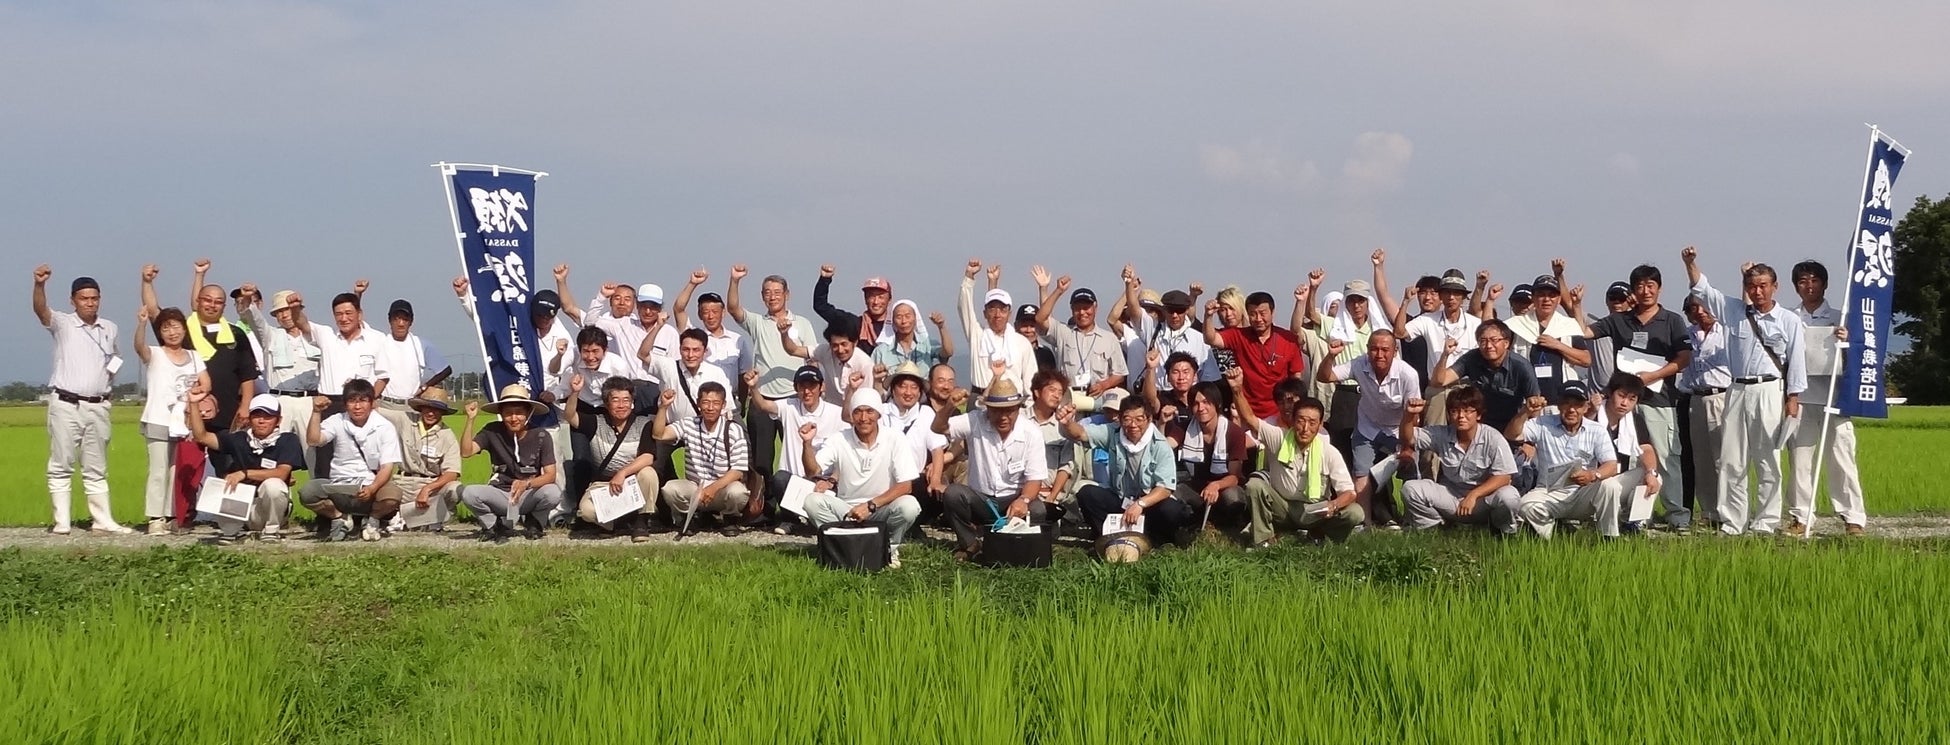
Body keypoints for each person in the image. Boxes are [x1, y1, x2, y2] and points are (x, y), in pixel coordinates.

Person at [1683, 246, 1807, 536]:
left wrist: (1793, 398)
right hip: (1736, 389)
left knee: (1767, 459)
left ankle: (1765, 521)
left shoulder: (1788, 320)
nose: (1758, 291)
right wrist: (1690, 263)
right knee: (1731, 458)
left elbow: (1796, 361)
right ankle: (1733, 521)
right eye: (1752, 286)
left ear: (1774, 287)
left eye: (1763, 285)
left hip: (1769, 389)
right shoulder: (1734, 311)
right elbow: (1703, 290)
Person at [1588, 264, 1693, 532]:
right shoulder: (1621, 319)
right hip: (1624, 402)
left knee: (1667, 457)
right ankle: (1637, 516)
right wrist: (1575, 304)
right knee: (1630, 458)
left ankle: (1677, 515)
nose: (1645, 291)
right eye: (1640, 286)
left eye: (1651, 286)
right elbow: (1586, 331)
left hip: (1660, 399)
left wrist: (1655, 375)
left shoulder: (1671, 320)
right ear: (1633, 290)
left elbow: (1684, 358)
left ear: (1659, 288)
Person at [34, 265, 129, 535]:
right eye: (84, 298)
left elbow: (116, 358)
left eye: (94, 298)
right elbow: (41, 311)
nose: (90, 303)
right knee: (62, 462)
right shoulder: (63, 323)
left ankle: (103, 519)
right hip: (66, 404)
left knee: (96, 464)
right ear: (73, 300)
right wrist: (39, 285)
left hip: (99, 404)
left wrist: (109, 377)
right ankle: (62, 521)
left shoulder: (109, 327)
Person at [1228, 371, 1361, 546]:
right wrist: (1237, 389)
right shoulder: (1279, 437)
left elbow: (1349, 492)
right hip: (1282, 506)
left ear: (1320, 424)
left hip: (1315, 510)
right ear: (1293, 420)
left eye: (1312, 423)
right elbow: (1250, 419)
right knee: (1255, 485)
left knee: (1355, 513)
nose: (1305, 428)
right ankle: (1263, 540)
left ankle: (1319, 535)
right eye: (1301, 421)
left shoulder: (1329, 451)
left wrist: (1333, 505)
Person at [1784, 260, 1866, 536]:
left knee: (1841, 457)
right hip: (1802, 396)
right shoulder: (1789, 317)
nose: (1809, 286)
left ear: (1824, 284)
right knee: (1800, 459)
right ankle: (1801, 516)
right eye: (1803, 281)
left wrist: (1848, 341)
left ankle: (1852, 516)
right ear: (1796, 287)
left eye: (1814, 280)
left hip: (1835, 396)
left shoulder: (1840, 317)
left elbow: (1860, 354)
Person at [931, 377, 1050, 562]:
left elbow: (1035, 479)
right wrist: (949, 406)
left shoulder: (1031, 432)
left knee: (1037, 510)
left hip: (1013, 497)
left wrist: (1023, 500)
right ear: (987, 409)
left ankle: (1015, 545)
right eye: (996, 411)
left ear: (1018, 409)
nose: (1003, 417)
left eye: (1009, 411)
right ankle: (970, 543)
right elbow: (938, 428)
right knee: (953, 494)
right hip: (982, 499)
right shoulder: (975, 420)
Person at [799, 389, 923, 567]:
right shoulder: (838, 439)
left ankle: (889, 549)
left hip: (880, 508)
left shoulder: (895, 438)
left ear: (878, 414)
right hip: (846, 510)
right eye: (858, 411)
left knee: (909, 506)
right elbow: (813, 471)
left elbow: (906, 485)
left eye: (869, 411)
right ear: (851, 415)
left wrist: (870, 506)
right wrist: (807, 443)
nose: (864, 418)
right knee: (811, 501)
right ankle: (841, 545)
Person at [727, 264, 818, 505]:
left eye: (777, 291)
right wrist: (735, 280)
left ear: (787, 294)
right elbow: (734, 309)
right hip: (763, 397)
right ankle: (765, 507)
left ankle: (799, 505)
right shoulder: (758, 323)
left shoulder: (803, 323)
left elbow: (812, 358)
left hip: (795, 399)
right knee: (762, 460)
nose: (772, 296)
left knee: (799, 455)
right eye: (767, 292)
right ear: (762, 296)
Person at [1317, 329, 1420, 529]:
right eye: (1374, 349)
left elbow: (1413, 414)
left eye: (1384, 350)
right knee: (1361, 473)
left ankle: (1411, 520)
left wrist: (1407, 445)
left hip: (1398, 429)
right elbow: (1325, 376)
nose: (1379, 355)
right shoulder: (1359, 364)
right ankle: (1365, 522)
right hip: (1367, 427)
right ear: (1367, 350)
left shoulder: (1408, 374)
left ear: (1395, 351)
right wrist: (1331, 355)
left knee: (1410, 469)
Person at [145, 259, 260, 434]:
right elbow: (153, 311)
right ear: (198, 302)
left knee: (228, 461)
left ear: (224, 306)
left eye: (218, 302)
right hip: (186, 416)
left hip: (227, 416)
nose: (212, 305)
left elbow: (247, 375)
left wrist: (245, 407)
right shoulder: (183, 330)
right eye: (207, 300)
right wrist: (147, 282)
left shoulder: (236, 334)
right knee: (186, 461)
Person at [1063, 390, 1188, 548]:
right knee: (1087, 493)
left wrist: (1140, 504)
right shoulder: (1113, 432)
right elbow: (1081, 434)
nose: (1133, 425)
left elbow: (1165, 488)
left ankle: (1158, 540)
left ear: (1149, 419)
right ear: (1120, 420)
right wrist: (1067, 422)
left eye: (1139, 419)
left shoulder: (1161, 446)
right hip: (1122, 499)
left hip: (1149, 503)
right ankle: (1107, 537)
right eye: (1127, 419)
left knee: (1172, 509)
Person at [1506, 380, 1625, 540]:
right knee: (1525, 506)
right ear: (1559, 405)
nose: (1571, 410)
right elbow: (1511, 435)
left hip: (1583, 491)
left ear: (1586, 407)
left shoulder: (1596, 430)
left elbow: (1611, 466)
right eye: (1566, 403)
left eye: (1577, 405)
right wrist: (1525, 412)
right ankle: (1551, 538)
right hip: (1549, 491)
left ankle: (1608, 537)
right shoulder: (1542, 424)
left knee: (1611, 485)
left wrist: (1592, 475)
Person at [1398, 386, 1521, 536]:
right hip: (1451, 497)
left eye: (1467, 411)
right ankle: (1434, 529)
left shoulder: (1493, 438)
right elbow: (1408, 438)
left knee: (1509, 496)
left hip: (1482, 501)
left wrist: (1474, 495)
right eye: (1455, 411)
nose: (1461, 416)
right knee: (1410, 489)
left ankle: (1503, 532)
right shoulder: (1442, 434)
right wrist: (1409, 415)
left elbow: (1504, 476)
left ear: (1479, 415)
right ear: (1449, 415)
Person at [134, 304, 211, 534]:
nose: (172, 332)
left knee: (177, 470)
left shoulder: (195, 357)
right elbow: (139, 347)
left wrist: (197, 397)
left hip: (186, 422)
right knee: (158, 469)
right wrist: (141, 324)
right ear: (160, 332)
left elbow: (206, 382)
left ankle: (173, 515)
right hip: (158, 418)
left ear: (184, 330)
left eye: (176, 327)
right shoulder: (155, 353)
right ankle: (155, 518)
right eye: (166, 328)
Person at [186, 393, 304, 544]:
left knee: (273, 484)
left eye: (268, 416)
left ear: (278, 420)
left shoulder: (287, 440)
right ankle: (230, 531)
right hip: (244, 509)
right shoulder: (239, 439)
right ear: (249, 418)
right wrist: (194, 404)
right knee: (226, 481)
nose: (261, 421)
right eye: (256, 416)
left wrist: (244, 473)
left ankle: (271, 530)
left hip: (270, 509)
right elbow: (202, 437)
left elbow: (281, 474)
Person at [748, 364, 848, 531]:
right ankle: (790, 519)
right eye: (802, 387)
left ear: (822, 387)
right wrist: (753, 387)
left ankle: (818, 519)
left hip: (825, 483)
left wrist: (831, 481)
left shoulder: (836, 414)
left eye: (812, 386)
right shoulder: (789, 406)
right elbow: (763, 406)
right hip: (795, 482)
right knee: (779, 479)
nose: (807, 392)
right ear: (796, 388)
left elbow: (846, 453)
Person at [300, 379, 402, 542]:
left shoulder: (384, 427)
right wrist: (316, 412)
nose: (357, 407)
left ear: (372, 403)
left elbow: (387, 467)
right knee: (307, 492)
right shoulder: (337, 420)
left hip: (369, 485)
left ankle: (373, 519)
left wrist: (372, 488)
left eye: (363, 401)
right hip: (339, 483)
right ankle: (339, 518)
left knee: (392, 496)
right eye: (352, 401)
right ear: (345, 403)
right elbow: (314, 440)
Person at [239, 285, 329, 467]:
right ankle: (274, 491)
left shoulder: (317, 335)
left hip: (309, 401)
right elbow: (255, 319)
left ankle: (315, 492)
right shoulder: (270, 335)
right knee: (273, 449)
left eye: (287, 310)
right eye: (279, 312)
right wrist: (248, 299)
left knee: (312, 451)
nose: (284, 315)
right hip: (280, 401)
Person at [459, 385, 563, 541]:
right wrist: (470, 420)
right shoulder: (492, 431)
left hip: (527, 495)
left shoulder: (541, 435)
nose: (514, 418)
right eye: (508, 413)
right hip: (501, 493)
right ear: (501, 414)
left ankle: (535, 522)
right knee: (469, 493)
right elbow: (466, 452)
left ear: (528, 413)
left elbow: (550, 475)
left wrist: (526, 484)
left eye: (519, 413)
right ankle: (493, 525)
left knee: (553, 492)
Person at [566, 377, 660, 540]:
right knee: (586, 510)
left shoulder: (643, 423)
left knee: (648, 473)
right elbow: (570, 416)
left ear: (632, 402)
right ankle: (613, 523)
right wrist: (575, 393)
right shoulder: (595, 422)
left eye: (626, 400)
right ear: (606, 403)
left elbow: (648, 457)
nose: (621, 405)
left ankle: (641, 520)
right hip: (604, 484)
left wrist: (623, 473)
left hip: (632, 481)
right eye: (615, 400)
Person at [654, 381, 753, 534]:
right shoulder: (689, 424)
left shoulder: (733, 429)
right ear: (698, 403)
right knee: (670, 489)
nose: (710, 407)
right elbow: (659, 434)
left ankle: (730, 519)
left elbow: (738, 470)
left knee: (738, 492)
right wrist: (663, 407)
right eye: (706, 402)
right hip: (696, 488)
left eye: (715, 403)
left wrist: (713, 488)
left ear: (723, 404)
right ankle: (690, 517)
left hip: (722, 488)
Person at [1203, 287, 1305, 423]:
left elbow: (1296, 378)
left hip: (1279, 413)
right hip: (1246, 413)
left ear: (1272, 312)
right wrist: (1208, 316)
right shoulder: (1239, 335)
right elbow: (1211, 339)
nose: (1258, 319)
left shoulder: (1288, 339)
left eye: (1262, 313)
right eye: (1253, 314)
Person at [1163, 381, 1249, 529]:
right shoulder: (1185, 428)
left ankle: (1229, 524)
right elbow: (1163, 447)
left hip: (1224, 487)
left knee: (1233, 497)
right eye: (1196, 404)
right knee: (1173, 492)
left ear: (1217, 404)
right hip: (1197, 488)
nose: (1201, 408)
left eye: (1206, 402)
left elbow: (1235, 476)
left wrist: (1216, 485)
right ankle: (1194, 521)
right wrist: (1162, 424)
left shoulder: (1234, 432)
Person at [1676, 295, 1730, 530]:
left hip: (1722, 396)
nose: (1698, 312)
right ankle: (1709, 511)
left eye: (1702, 307)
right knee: (1702, 460)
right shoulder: (1688, 335)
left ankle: (1729, 511)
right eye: (1691, 309)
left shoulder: (1727, 331)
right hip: (1695, 398)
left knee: (1725, 458)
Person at [1432, 319, 1541, 435]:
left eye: (1494, 340)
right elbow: (1439, 381)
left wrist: (1530, 443)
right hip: (1480, 424)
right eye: (1483, 341)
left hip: (1510, 425)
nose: (1488, 346)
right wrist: (1445, 355)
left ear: (1506, 343)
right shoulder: (1471, 358)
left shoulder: (1522, 367)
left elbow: (1535, 406)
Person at [1034, 282, 1130, 412]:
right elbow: (1040, 318)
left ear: (1095, 308)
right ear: (1072, 310)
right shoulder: (1063, 332)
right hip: (1069, 400)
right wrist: (1058, 291)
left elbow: (1120, 373)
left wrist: (1103, 385)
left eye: (1086, 308)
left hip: (1098, 401)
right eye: (1077, 308)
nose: (1082, 312)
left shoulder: (1109, 338)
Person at [372, 299, 452, 447]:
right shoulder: (380, 342)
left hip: (411, 407)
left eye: (405, 319)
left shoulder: (421, 345)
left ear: (411, 321)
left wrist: (425, 387)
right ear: (389, 321)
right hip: (385, 405)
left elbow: (445, 369)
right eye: (396, 319)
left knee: (411, 453)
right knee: (380, 453)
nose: (401, 323)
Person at [1592, 372, 1663, 533]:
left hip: (1616, 479)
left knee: (1654, 476)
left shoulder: (1634, 420)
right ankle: (1608, 533)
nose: (1625, 403)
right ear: (1610, 393)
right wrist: (1590, 410)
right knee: (1608, 485)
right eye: (1621, 396)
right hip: (1592, 479)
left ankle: (1635, 523)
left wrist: (1651, 472)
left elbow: (1646, 449)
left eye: (1632, 399)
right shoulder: (1593, 415)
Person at [957, 260, 1038, 393]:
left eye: (1002, 310)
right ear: (985, 313)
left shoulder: (1021, 343)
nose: (997, 314)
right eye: (992, 309)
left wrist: (1028, 408)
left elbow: (1031, 379)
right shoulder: (978, 336)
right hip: (981, 399)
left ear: (1009, 314)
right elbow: (964, 307)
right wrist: (969, 276)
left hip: (1013, 401)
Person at [880, 362, 951, 513]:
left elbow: (937, 450)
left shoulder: (926, 413)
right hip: (884, 479)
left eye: (913, 387)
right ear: (893, 389)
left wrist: (936, 480)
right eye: (903, 386)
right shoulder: (881, 412)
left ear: (920, 392)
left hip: (914, 480)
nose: (908, 392)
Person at [391, 388, 463, 532]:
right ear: (421, 407)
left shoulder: (447, 436)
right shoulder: (403, 419)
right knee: (379, 487)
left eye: (436, 409)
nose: (431, 413)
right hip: (402, 483)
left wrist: (427, 489)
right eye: (427, 408)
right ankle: (393, 518)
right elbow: (374, 409)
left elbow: (452, 473)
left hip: (431, 485)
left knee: (456, 489)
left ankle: (432, 520)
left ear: (443, 412)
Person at [671, 269, 753, 395]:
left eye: (714, 312)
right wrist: (693, 283)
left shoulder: (737, 340)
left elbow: (743, 376)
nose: (710, 316)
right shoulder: (694, 337)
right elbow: (678, 309)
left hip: (730, 401)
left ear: (723, 313)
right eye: (705, 312)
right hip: (701, 399)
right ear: (699, 314)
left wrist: (742, 408)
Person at [786, 323, 875, 406]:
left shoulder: (865, 364)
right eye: (835, 345)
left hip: (855, 413)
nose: (840, 350)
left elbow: (867, 399)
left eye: (844, 344)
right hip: (831, 412)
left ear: (855, 343)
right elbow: (794, 350)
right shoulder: (826, 351)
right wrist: (784, 334)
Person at [868, 299, 953, 386]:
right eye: (899, 317)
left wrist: (941, 327)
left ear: (915, 319)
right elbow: (871, 380)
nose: (904, 321)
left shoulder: (927, 345)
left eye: (908, 316)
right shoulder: (881, 352)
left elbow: (947, 352)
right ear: (892, 321)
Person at [812, 266, 893, 350]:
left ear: (889, 300)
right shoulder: (854, 324)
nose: (876, 302)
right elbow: (821, 306)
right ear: (865, 299)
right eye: (871, 296)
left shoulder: (897, 326)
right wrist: (825, 280)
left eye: (880, 297)